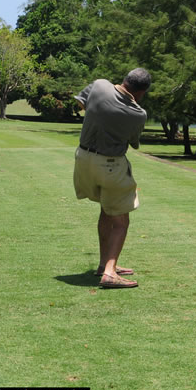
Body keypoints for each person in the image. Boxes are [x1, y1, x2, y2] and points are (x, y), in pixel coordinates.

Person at [73, 68, 150, 289]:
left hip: (83, 158)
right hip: (110, 165)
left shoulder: (99, 85)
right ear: (142, 92)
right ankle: (109, 273)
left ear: (125, 78)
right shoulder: (138, 113)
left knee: (107, 210)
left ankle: (103, 264)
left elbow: (82, 104)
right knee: (121, 222)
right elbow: (133, 142)